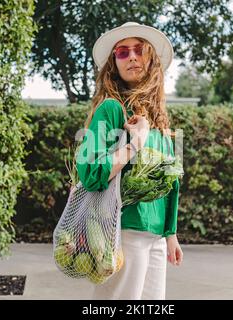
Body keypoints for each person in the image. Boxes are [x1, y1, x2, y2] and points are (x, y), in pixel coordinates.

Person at [76, 22, 183, 300]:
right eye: (123, 52)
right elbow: (89, 172)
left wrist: (170, 232)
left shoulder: (159, 121)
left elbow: (169, 181)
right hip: (122, 229)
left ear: (151, 58)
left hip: (156, 235)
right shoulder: (112, 109)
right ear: (114, 63)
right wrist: (134, 144)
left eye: (139, 49)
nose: (132, 56)